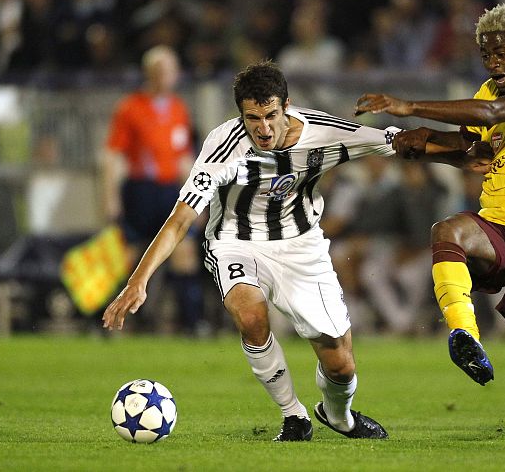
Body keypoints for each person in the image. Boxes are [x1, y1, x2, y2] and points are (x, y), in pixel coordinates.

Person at [103, 61, 389, 442]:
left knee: (340, 363)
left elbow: (400, 141)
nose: (263, 127)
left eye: (271, 115)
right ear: (241, 114)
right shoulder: (223, 147)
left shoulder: (321, 132)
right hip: (233, 242)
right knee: (250, 314)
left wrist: (463, 154)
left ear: (286, 106)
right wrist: (137, 282)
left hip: (300, 245)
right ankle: (294, 415)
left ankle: (339, 416)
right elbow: (180, 220)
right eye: (253, 118)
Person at [355, 3, 505, 440]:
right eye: (487, 56)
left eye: (502, 53)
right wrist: (425, 145)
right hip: (496, 223)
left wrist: (410, 108)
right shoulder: (485, 93)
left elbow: (493, 117)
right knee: (448, 232)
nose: (493, 63)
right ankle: (464, 333)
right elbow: (474, 151)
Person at [103, 45, 204, 335]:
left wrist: (199, 198)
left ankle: (192, 324)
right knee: (128, 253)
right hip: (140, 191)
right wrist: (110, 198)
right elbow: (113, 155)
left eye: (170, 71)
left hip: (170, 190)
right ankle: (111, 320)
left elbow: (184, 158)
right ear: (148, 74)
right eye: (159, 71)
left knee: (184, 251)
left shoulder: (178, 109)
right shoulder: (130, 107)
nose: (165, 77)